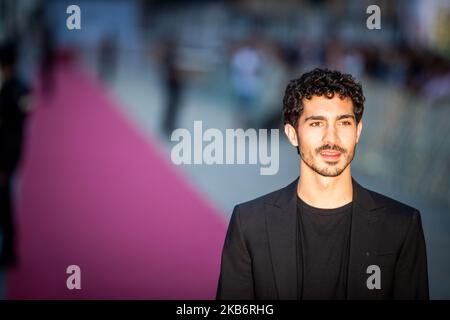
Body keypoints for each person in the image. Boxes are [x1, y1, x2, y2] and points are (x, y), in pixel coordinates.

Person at [216, 68, 429, 300]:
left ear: (358, 131)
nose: (331, 138)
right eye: (317, 124)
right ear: (292, 134)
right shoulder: (249, 223)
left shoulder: (401, 225)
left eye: (344, 123)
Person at [0, 41, 30, 266]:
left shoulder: (14, 88)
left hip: (7, 151)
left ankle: (9, 249)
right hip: (13, 148)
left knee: (4, 200)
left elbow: (21, 115)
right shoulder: (20, 86)